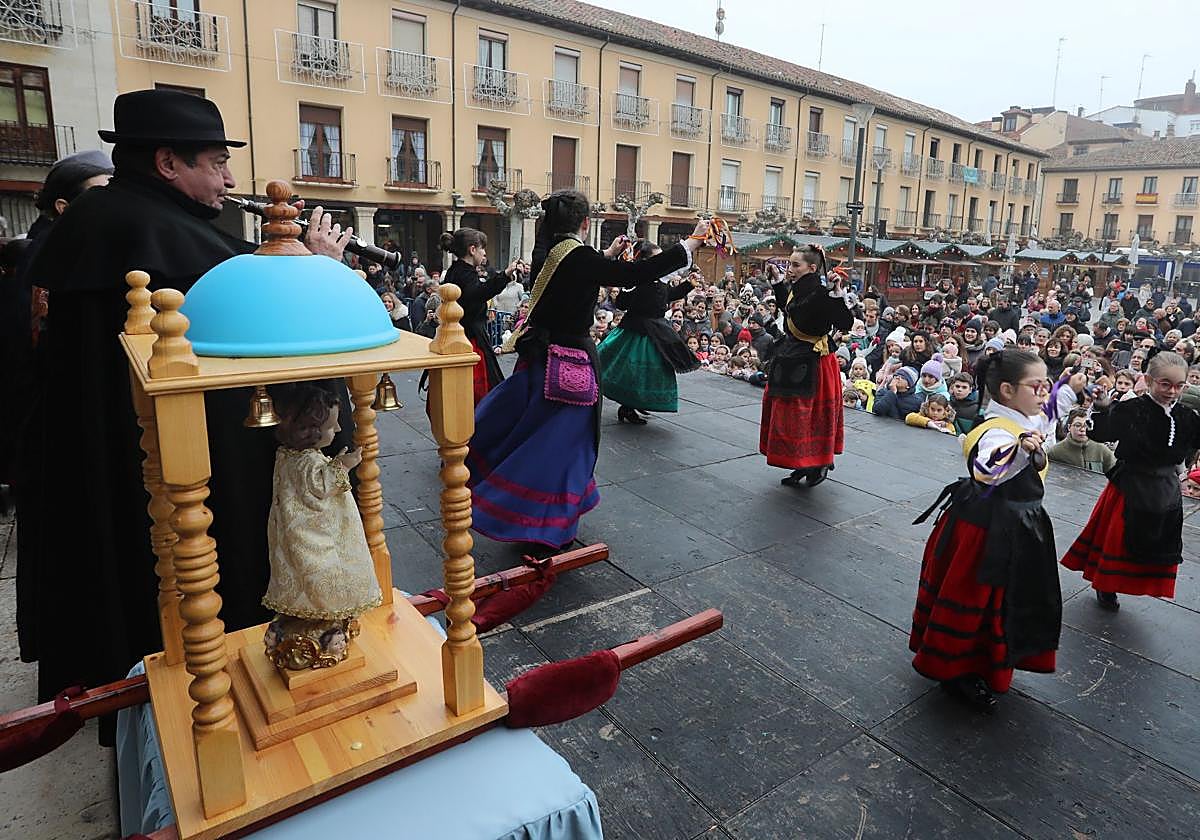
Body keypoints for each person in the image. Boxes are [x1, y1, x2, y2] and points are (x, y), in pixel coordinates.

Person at [15, 90, 352, 720]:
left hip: (109, 463)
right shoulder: (153, 227)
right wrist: (317, 270)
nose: (228, 178)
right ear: (168, 163)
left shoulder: (109, 218)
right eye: (216, 162)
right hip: (182, 472)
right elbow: (267, 332)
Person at [467, 190, 708, 548]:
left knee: (526, 430)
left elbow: (583, 271)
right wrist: (689, 244)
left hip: (539, 357)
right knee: (565, 443)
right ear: (585, 222)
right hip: (570, 360)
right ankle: (544, 518)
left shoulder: (548, 251)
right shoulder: (579, 258)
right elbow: (637, 271)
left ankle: (506, 492)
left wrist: (605, 257)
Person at [909, 349, 1061, 711]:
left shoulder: (1029, 420)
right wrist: (1020, 449)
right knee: (976, 598)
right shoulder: (996, 431)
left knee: (1002, 600)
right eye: (1037, 386)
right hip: (986, 530)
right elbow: (987, 470)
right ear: (1006, 390)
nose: (1044, 393)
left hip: (1016, 524)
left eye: (1047, 385)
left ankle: (987, 662)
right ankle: (957, 669)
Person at [1062, 351, 1199, 610]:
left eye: (1179, 386)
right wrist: (1102, 406)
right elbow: (1102, 433)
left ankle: (1138, 582)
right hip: (1131, 486)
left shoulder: (1187, 416)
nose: (1172, 391)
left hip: (1166, 489)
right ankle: (1107, 584)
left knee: (1157, 541)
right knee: (1120, 539)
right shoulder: (1131, 409)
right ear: (1149, 380)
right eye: (1165, 384)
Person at [262, 384, 380, 669]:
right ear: (309, 429)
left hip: (301, 528)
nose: (338, 429)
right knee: (321, 573)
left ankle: (320, 617)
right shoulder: (305, 462)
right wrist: (345, 464)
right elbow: (320, 485)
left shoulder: (289, 456)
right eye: (330, 425)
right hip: (313, 534)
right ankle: (320, 615)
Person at [759, 247, 854, 488]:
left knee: (809, 416)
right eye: (789, 264)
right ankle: (801, 462)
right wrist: (779, 283)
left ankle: (818, 463)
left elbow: (845, 323)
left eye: (795, 265)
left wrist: (836, 295)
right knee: (792, 414)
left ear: (812, 268)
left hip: (815, 361)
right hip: (793, 355)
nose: (790, 269)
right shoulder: (801, 289)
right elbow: (791, 311)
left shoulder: (821, 293)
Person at [596, 240, 700, 424]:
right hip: (637, 332)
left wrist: (688, 286)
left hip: (656, 331)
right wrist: (623, 292)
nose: (661, 261)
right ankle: (628, 407)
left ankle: (637, 402)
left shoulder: (661, 278)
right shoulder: (636, 280)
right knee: (634, 372)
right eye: (657, 257)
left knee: (652, 373)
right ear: (644, 260)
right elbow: (621, 304)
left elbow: (669, 296)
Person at [439, 228, 519, 403]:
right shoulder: (464, 272)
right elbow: (478, 293)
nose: (484, 253)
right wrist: (505, 275)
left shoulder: (457, 270)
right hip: (470, 340)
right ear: (472, 249)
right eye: (482, 248)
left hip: (463, 336)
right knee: (482, 396)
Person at [1048, 408, 1116, 475]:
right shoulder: (1055, 452)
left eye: (1086, 426)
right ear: (1069, 427)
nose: (1082, 429)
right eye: (1078, 425)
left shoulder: (1103, 451)